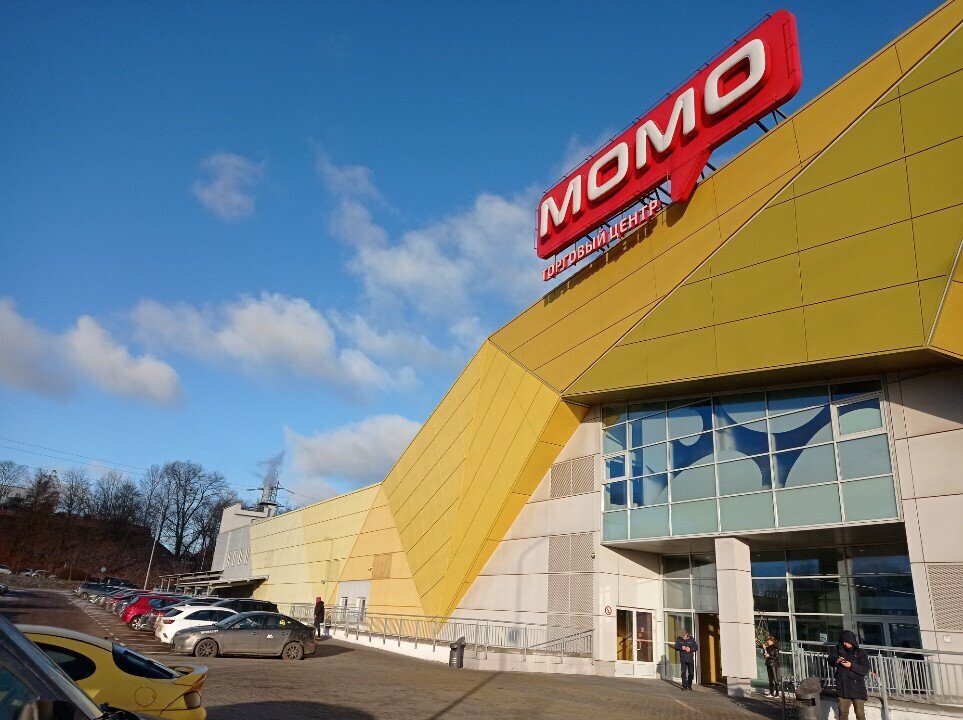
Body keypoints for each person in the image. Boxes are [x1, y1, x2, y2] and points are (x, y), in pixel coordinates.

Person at [828, 630, 870, 720]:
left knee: (860, 714)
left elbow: (865, 669)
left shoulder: (860, 652)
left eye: (847, 642)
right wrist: (837, 660)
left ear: (852, 641)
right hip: (843, 687)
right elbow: (830, 659)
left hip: (857, 687)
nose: (845, 644)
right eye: (843, 642)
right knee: (843, 713)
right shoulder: (838, 650)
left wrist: (851, 665)